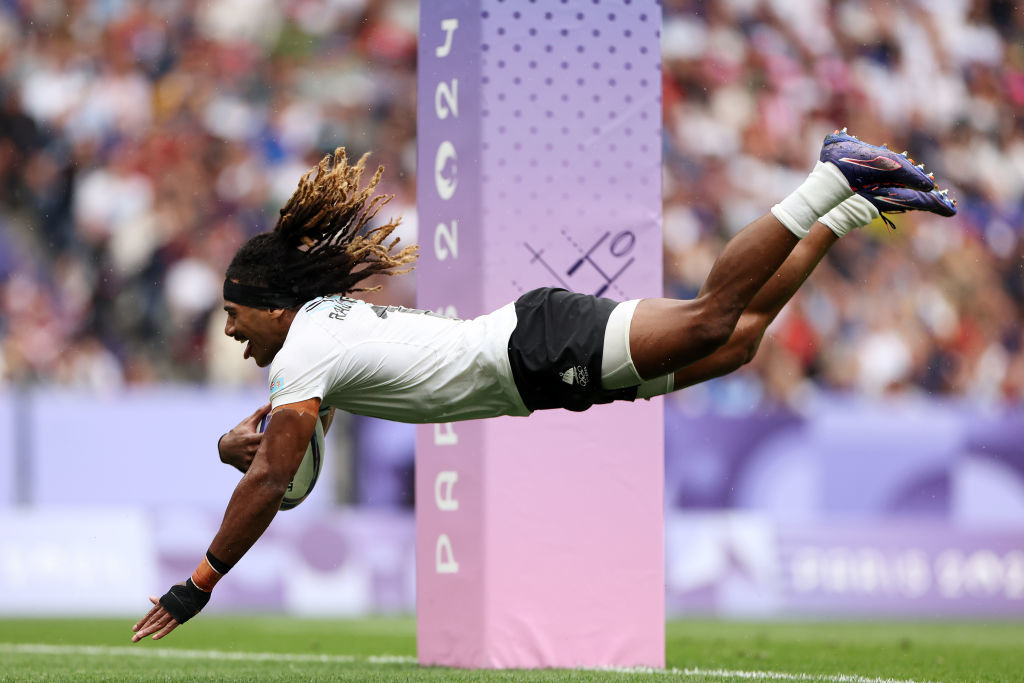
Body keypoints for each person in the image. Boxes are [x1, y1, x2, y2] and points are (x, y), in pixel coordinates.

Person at [131, 130, 956, 642]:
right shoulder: (313, 342)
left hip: (535, 345)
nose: (232, 330)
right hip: (536, 362)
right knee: (737, 344)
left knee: (712, 319)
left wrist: (196, 583)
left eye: (237, 315)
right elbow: (290, 461)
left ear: (274, 308)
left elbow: (278, 476)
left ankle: (829, 177)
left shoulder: (302, 348)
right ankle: (846, 207)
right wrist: (232, 441)